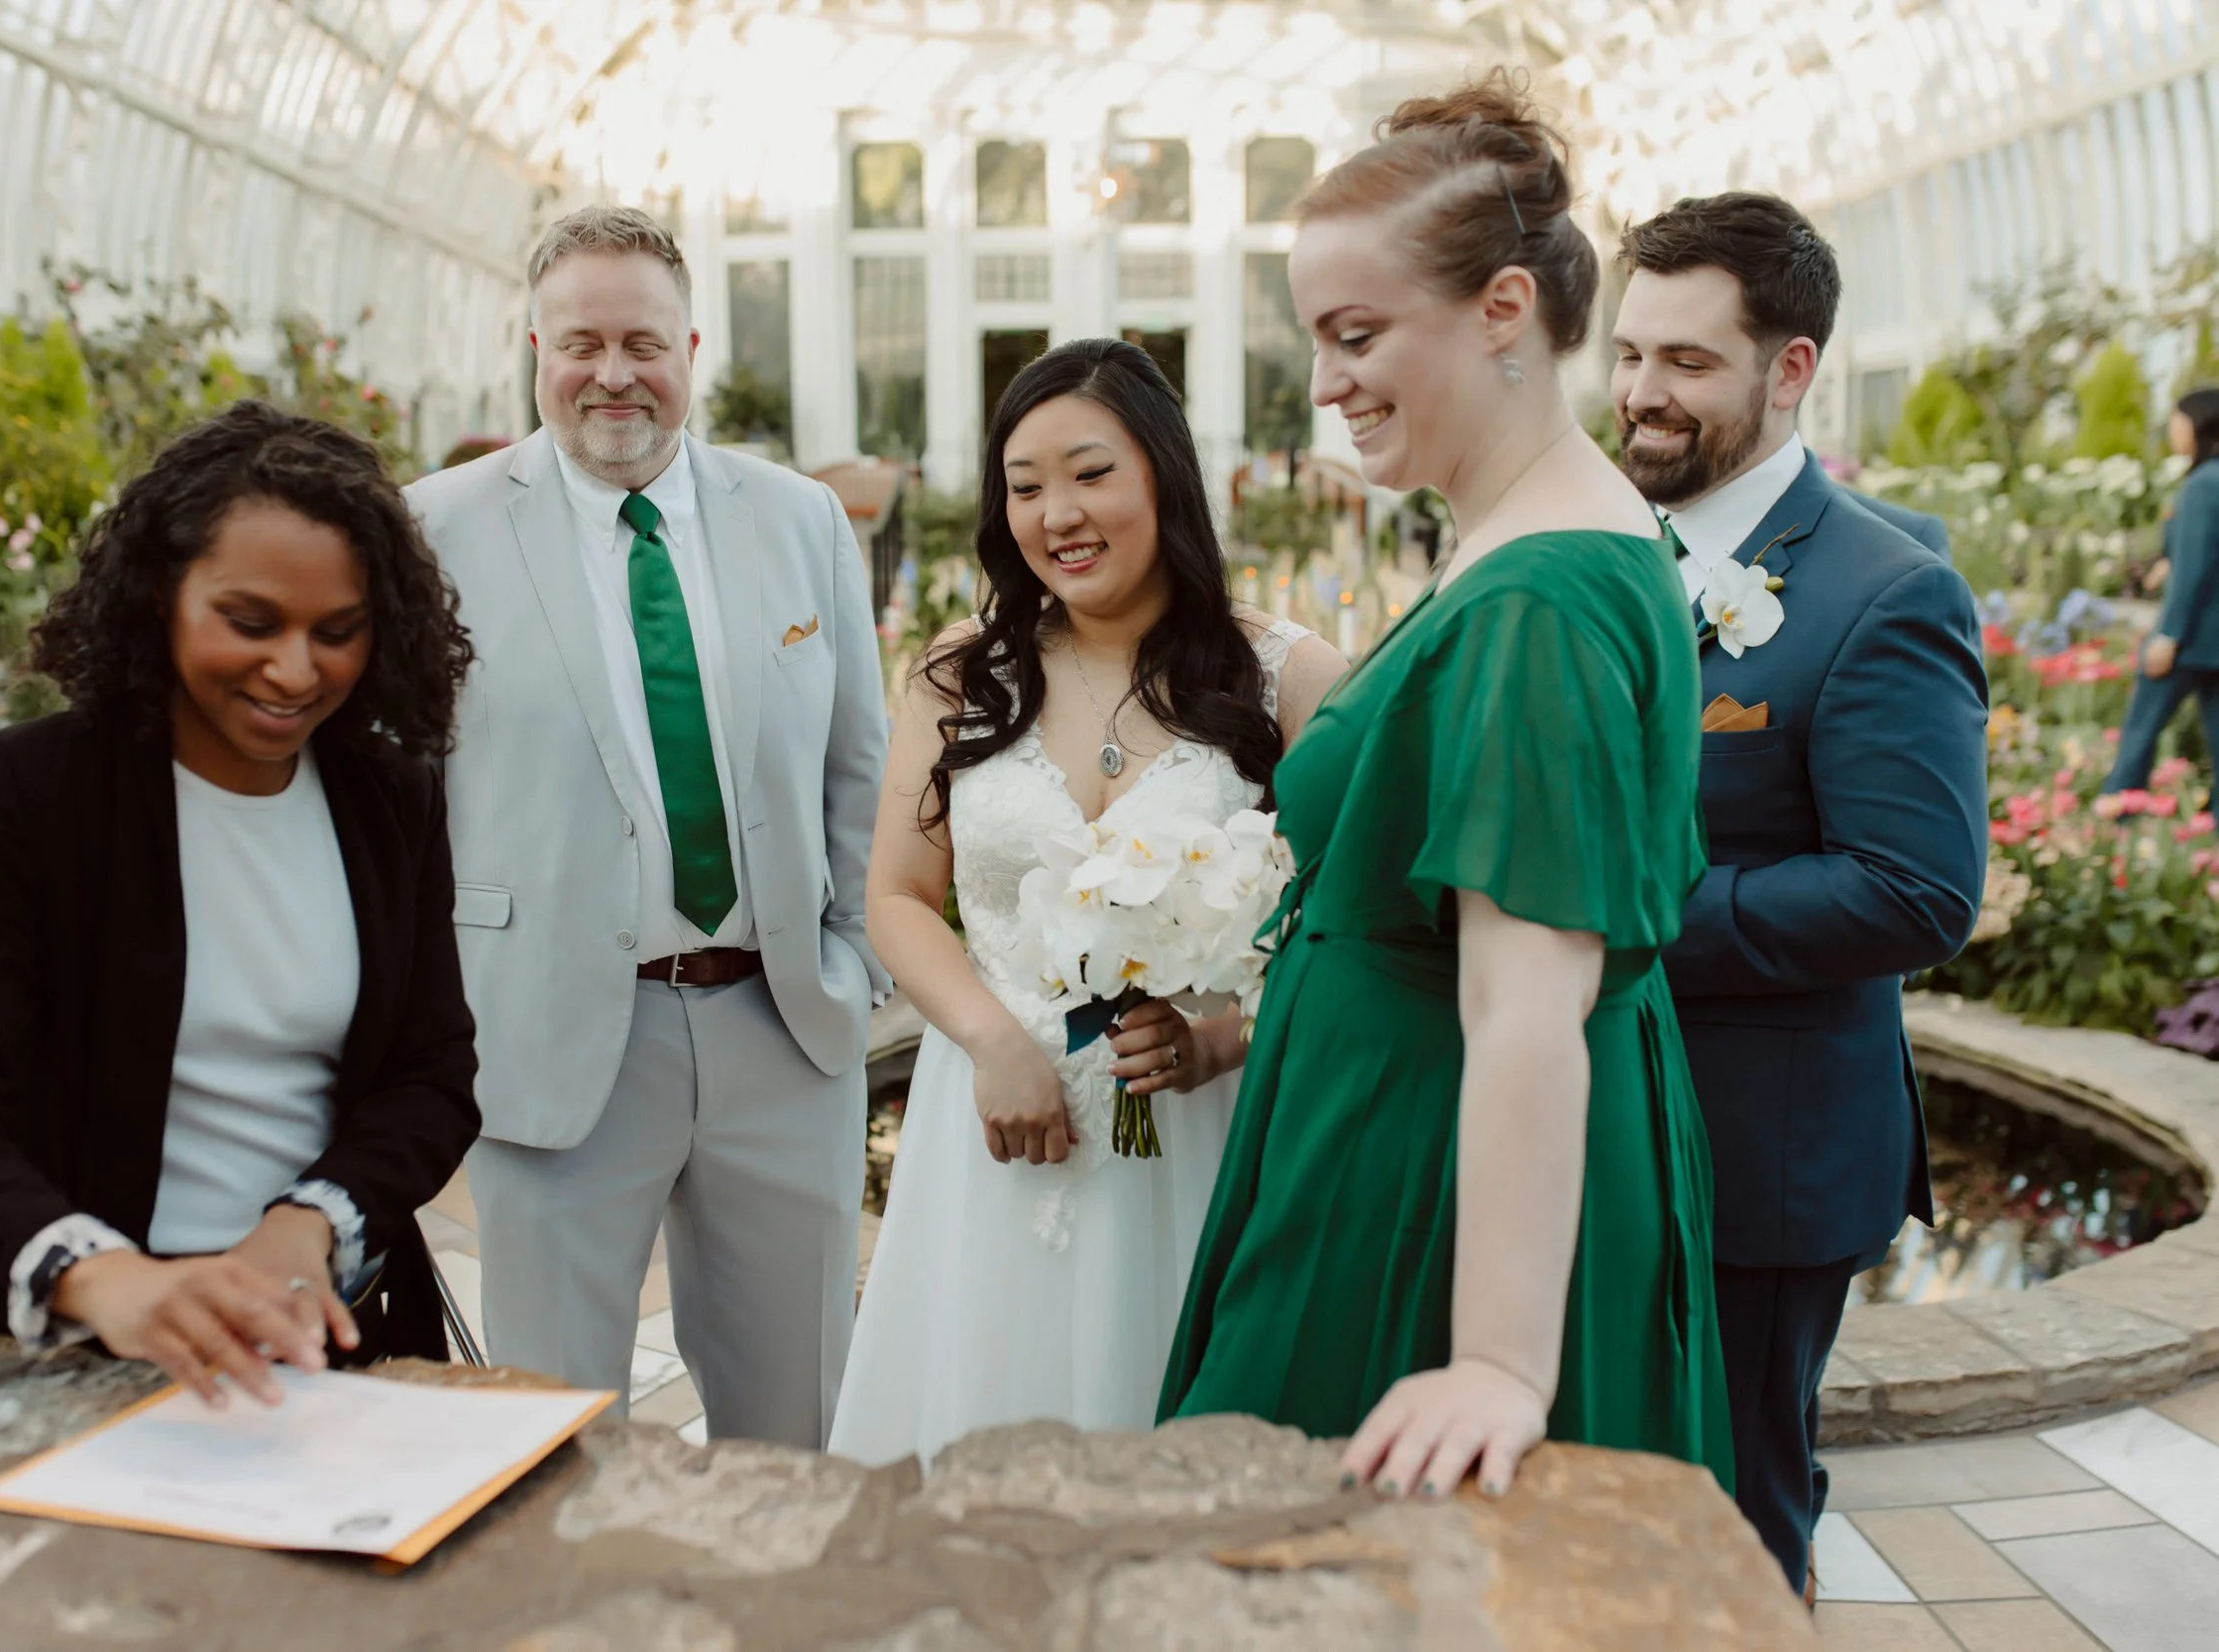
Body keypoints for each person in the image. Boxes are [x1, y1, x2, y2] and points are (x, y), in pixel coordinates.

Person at [1159, 72, 1734, 1505]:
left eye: (1359, 335)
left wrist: (1495, 1361)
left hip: (1422, 1180)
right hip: (1393, 1127)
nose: (1331, 380)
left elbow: (1527, 993)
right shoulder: (1519, 534)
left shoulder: (1540, 593)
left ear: (1504, 310)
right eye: (1318, 340)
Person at [0, 401, 481, 1401]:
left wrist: (313, 1218)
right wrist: (107, 1279)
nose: (295, 669)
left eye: (339, 632)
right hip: (74, 1348)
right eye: (250, 623)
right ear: (160, 594)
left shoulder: (388, 796)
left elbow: (429, 1074)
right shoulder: (32, 792)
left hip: (325, 1333)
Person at [406, 206, 889, 1449]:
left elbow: (858, 766)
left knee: (794, 1430)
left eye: (641, 341)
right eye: (579, 343)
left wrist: (852, 962)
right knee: (551, 1438)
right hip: (554, 1036)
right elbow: (394, 795)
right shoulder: (431, 531)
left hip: (782, 1023)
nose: (612, 374)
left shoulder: (800, 520)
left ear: (691, 346)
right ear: (532, 346)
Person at [830, 340, 1343, 1465]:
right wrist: (988, 1039)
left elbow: (1351, 930)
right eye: (1023, 484)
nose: (1057, 511)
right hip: (990, 1129)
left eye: (1090, 471)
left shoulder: (1287, 677)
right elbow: (899, 896)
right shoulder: (960, 673)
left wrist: (1222, 1040)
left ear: (1162, 472)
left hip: (1196, 1133)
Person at [1610, 192, 1988, 1594]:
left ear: (1792, 369)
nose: (1644, 393)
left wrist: (1624, 922)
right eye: (1633, 352)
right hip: (1599, 1120)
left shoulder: (1889, 590)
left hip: (1760, 1155)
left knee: (1744, 1522)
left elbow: (1914, 890)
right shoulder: (1598, 550)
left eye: (1689, 362)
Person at [2104, 387, 2219, 795]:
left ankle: (2116, 816)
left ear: (2200, 424)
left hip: (2189, 639)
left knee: (2140, 732)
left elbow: (2193, 570)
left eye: (2177, 420)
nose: (2172, 429)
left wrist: (2167, 636)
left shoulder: (2203, 485)